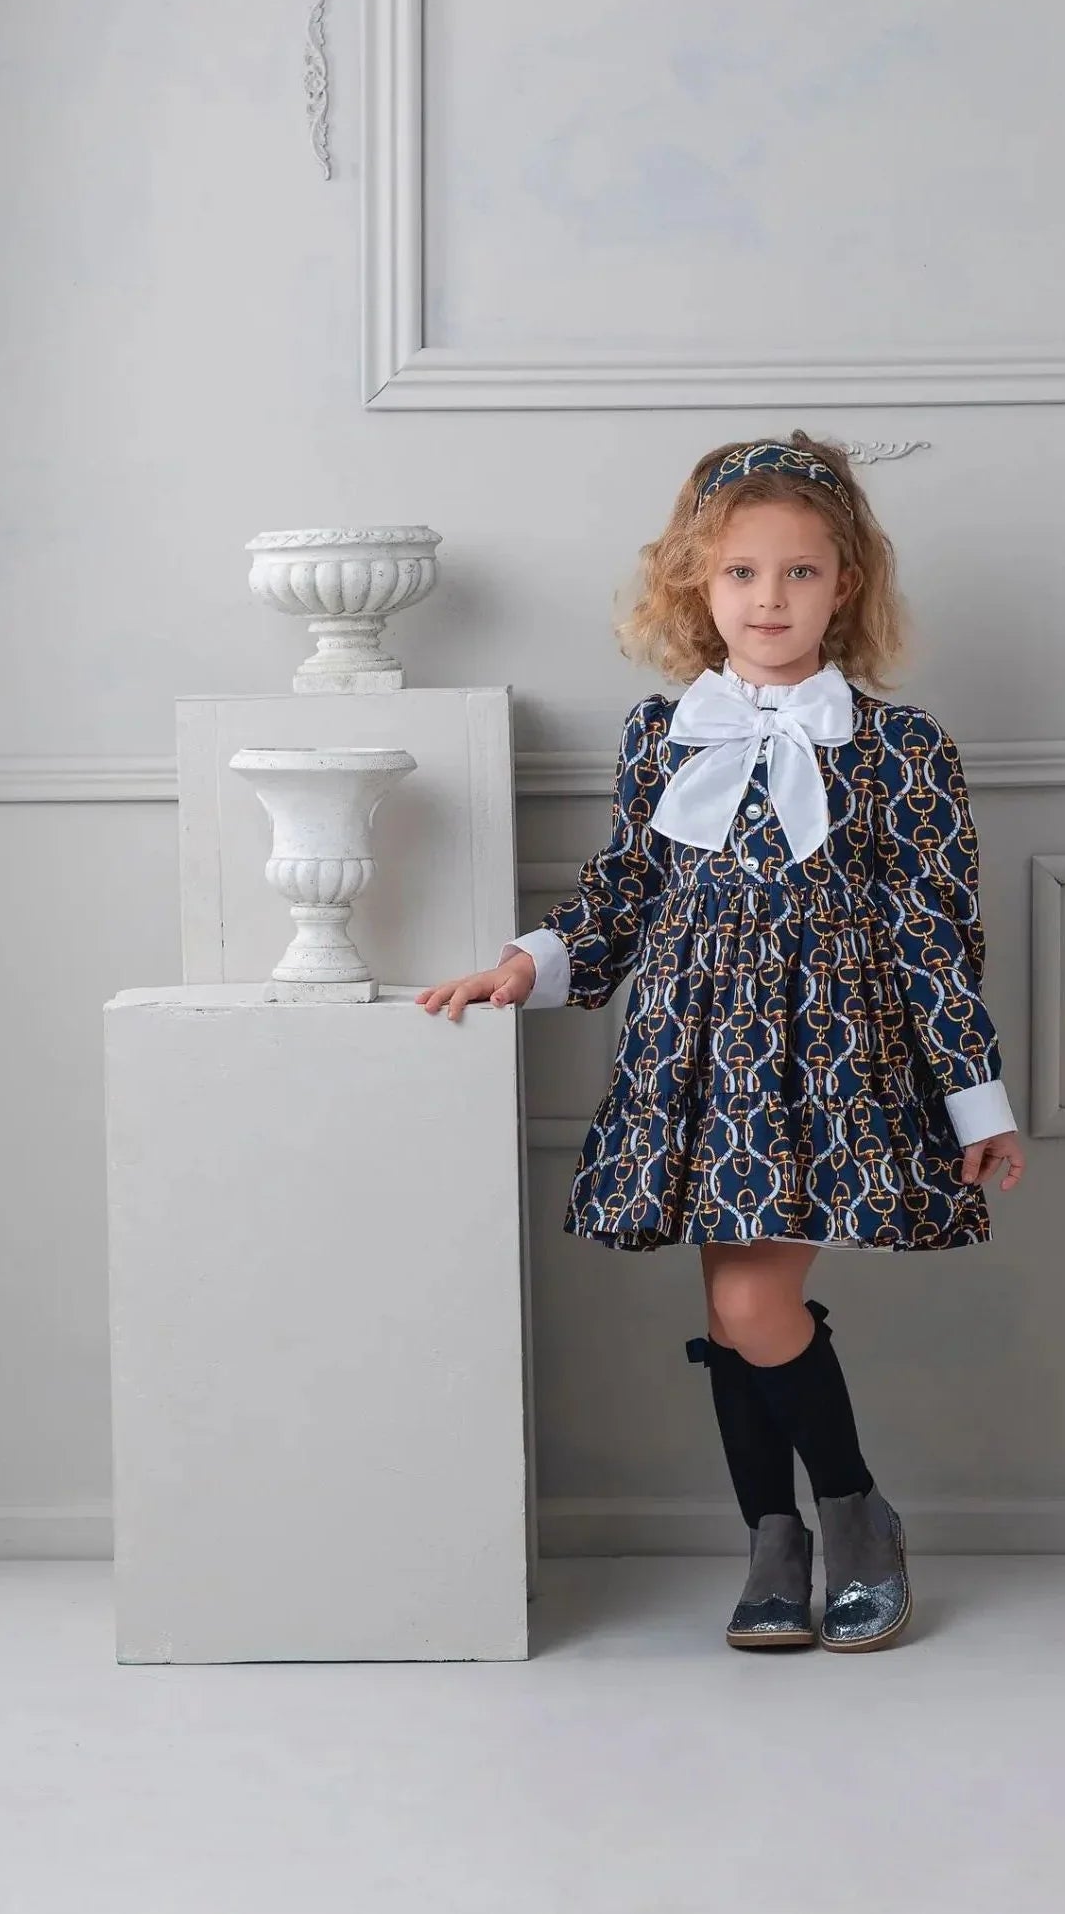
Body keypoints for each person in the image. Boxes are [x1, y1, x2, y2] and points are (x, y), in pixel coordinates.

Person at [416, 430, 1027, 1654]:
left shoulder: (902, 748)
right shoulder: (664, 733)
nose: (770, 598)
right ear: (698, 583)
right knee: (730, 1304)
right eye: (743, 573)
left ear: (844, 586)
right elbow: (625, 892)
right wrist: (528, 961)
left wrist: (976, 1099)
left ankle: (857, 1517)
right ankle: (773, 1542)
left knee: (757, 1305)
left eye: (800, 573)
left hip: (831, 1065)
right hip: (697, 1058)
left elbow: (936, 936)